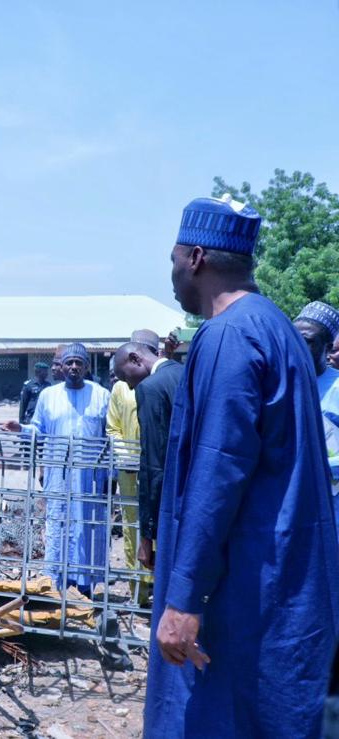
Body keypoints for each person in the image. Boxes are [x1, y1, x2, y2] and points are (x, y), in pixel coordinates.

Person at [144, 195, 339, 738]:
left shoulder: (229, 335)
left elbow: (217, 472)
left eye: (174, 259)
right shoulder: (275, 324)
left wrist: (184, 599)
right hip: (284, 575)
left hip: (244, 586)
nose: (172, 273)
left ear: (196, 258)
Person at [3, 343, 110, 596]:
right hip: (58, 476)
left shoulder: (101, 395)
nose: (73, 367)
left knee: (87, 527)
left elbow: (109, 437)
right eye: (69, 362)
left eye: (78, 363)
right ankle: (56, 585)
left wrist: (110, 476)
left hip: (90, 479)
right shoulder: (48, 396)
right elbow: (38, 431)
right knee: (58, 525)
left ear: (86, 367)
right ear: (61, 367)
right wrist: (21, 429)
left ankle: (85, 586)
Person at [112, 338, 184, 575]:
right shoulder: (184, 372)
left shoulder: (150, 388)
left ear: (135, 359)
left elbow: (154, 466)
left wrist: (146, 536)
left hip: (171, 505)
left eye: (125, 377)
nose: (129, 386)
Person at [107, 329, 159, 606]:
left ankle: (160, 591)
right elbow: (113, 428)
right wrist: (126, 456)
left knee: (159, 528)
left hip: (158, 471)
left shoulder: (161, 382)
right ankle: (138, 593)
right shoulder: (121, 388)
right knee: (132, 530)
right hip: (130, 472)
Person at [294, 301, 339, 502]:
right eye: (294, 338)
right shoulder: (280, 384)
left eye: (307, 341)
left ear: (328, 348)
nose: (297, 347)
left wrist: (318, 466)